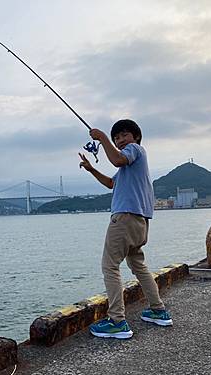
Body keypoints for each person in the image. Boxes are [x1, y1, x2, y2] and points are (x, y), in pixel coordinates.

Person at [78, 119, 172, 340]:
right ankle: (158, 310)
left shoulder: (134, 151)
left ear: (136, 136)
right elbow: (112, 183)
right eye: (116, 138)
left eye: (124, 135)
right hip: (140, 221)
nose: (120, 140)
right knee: (138, 264)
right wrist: (92, 169)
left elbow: (118, 160)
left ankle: (117, 321)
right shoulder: (132, 166)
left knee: (110, 266)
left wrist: (101, 137)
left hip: (124, 218)